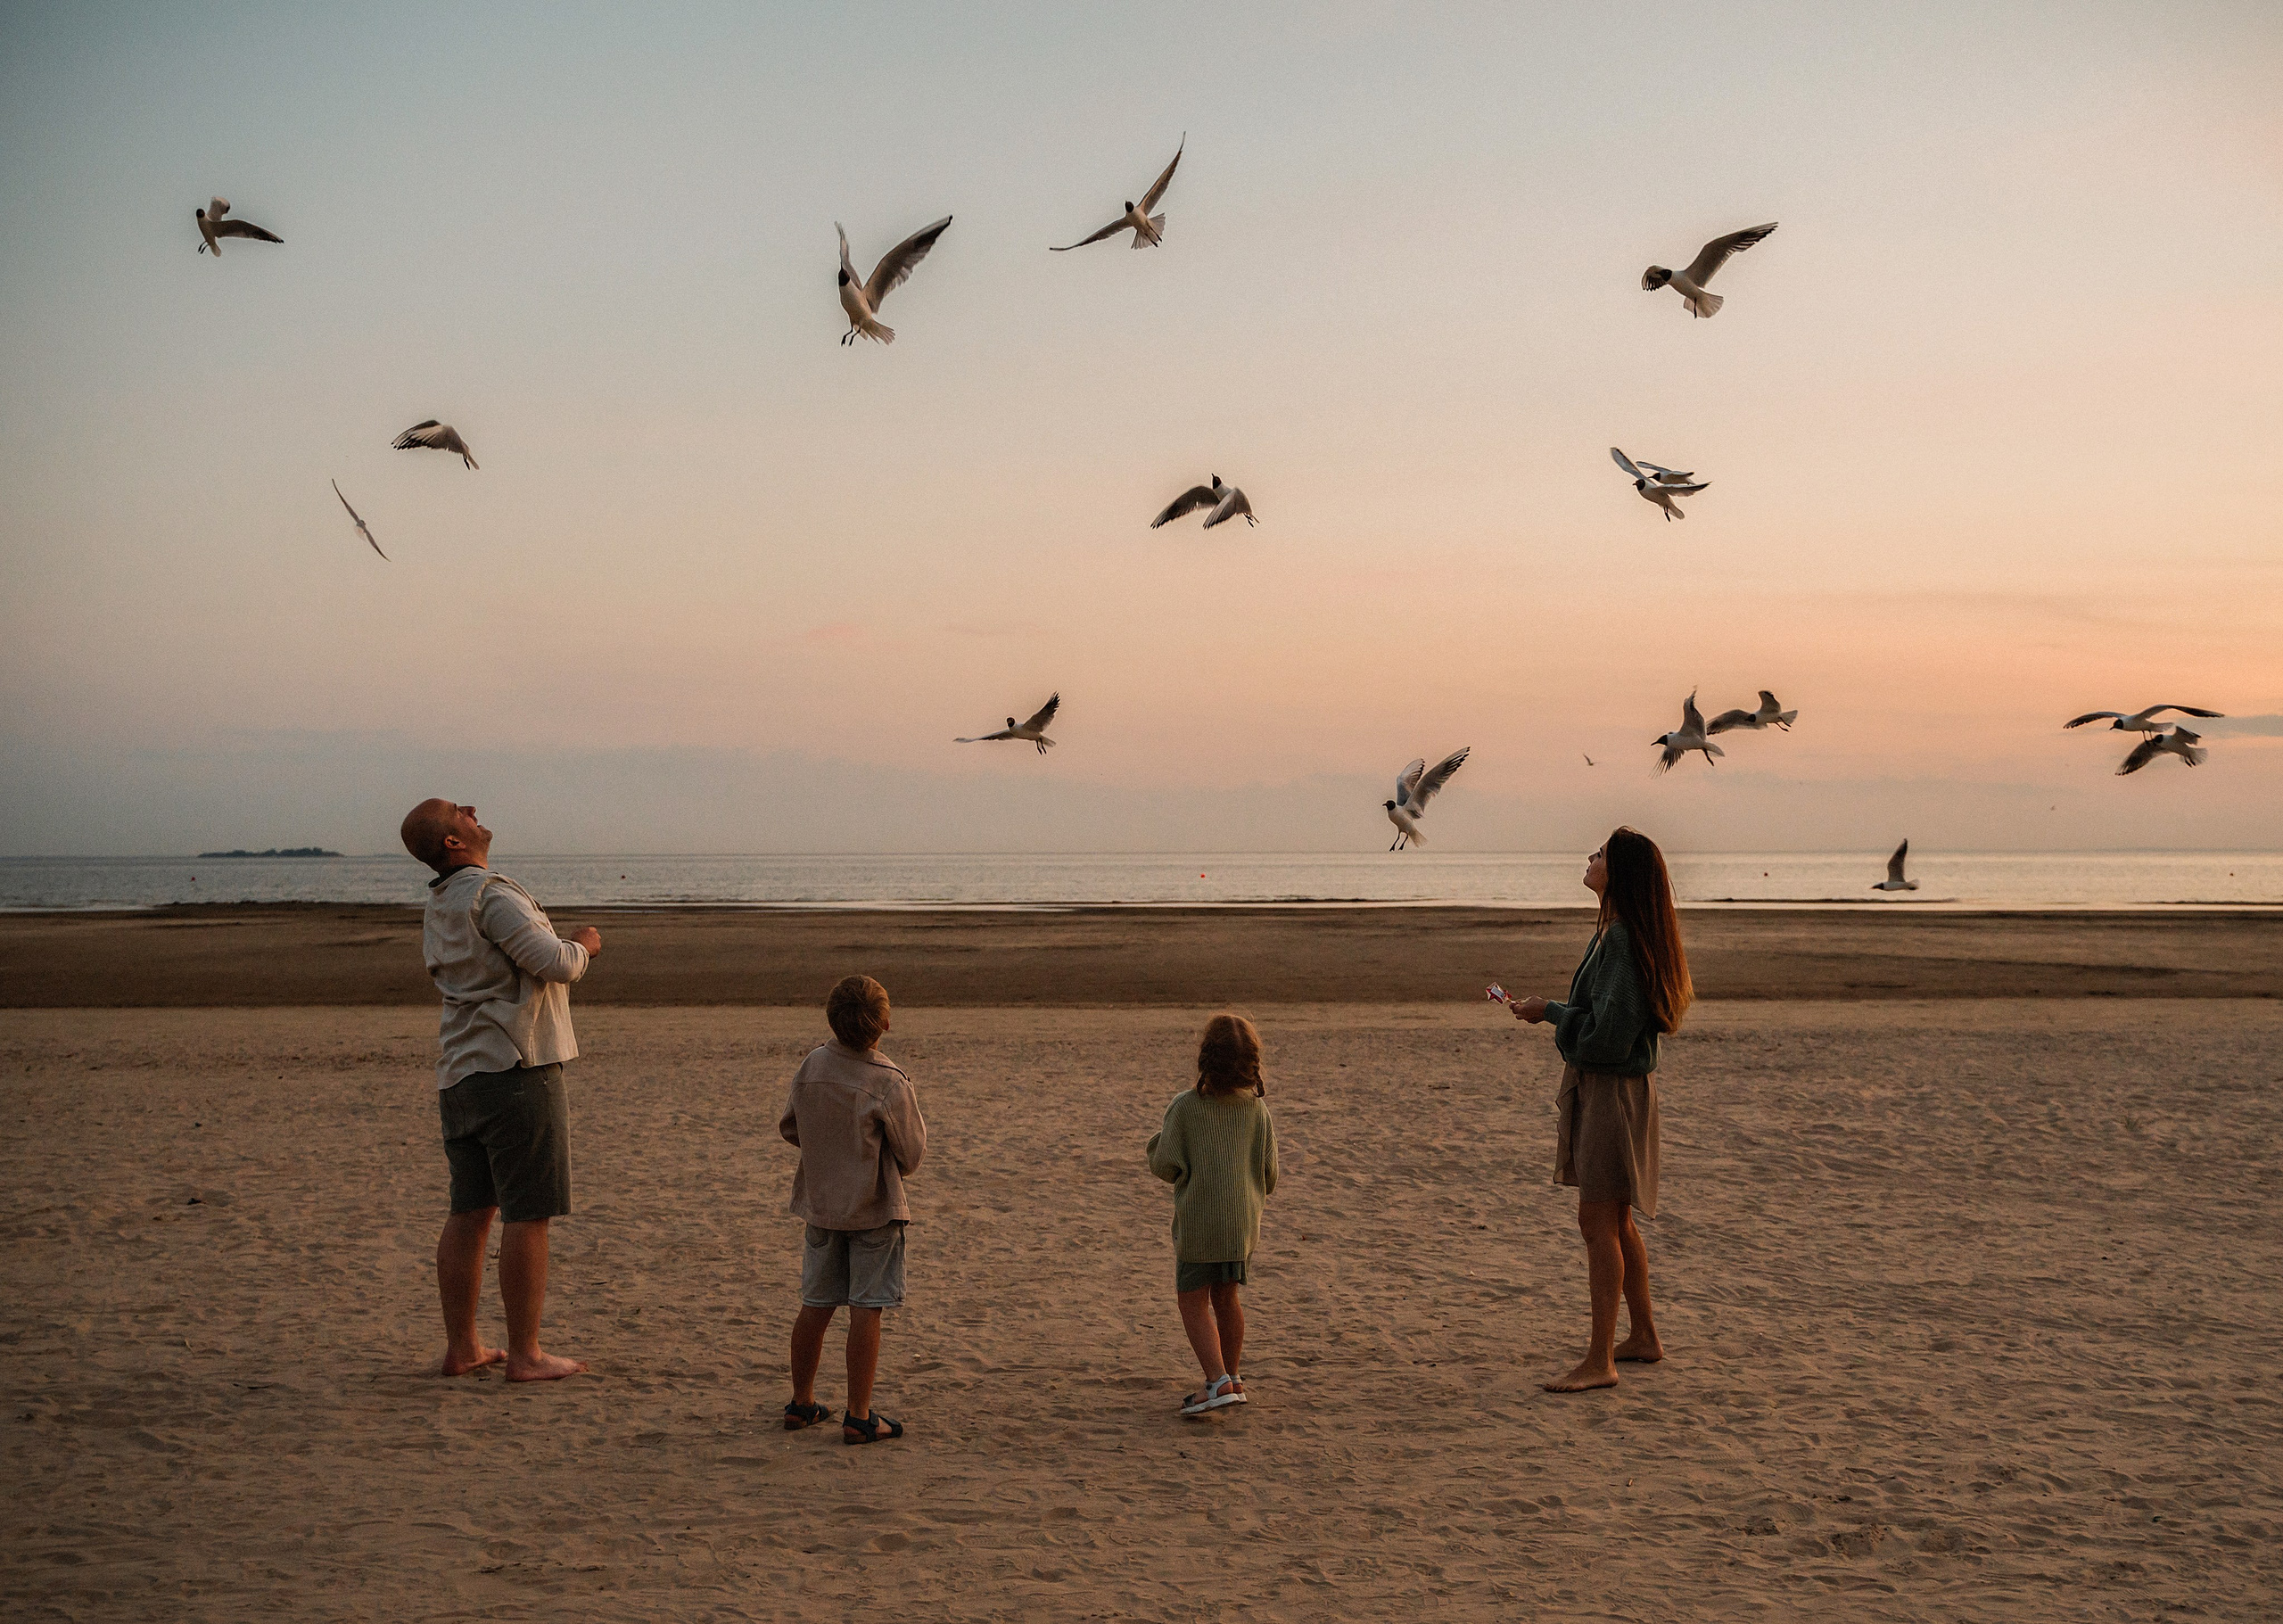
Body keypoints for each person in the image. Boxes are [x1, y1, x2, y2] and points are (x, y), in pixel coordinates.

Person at [400, 798, 599, 1382]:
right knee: (527, 1212)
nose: (470, 809)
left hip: (461, 1073)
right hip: (515, 1068)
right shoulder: (489, 893)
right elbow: (555, 963)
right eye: (458, 811)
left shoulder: (441, 902)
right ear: (454, 844)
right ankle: (527, 1353)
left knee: (471, 1211)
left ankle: (463, 1346)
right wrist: (585, 944)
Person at [1507, 827, 1692, 1393]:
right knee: (1615, 1220)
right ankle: (1643, 1337)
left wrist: (1553, 1015)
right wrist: (1557, 1013)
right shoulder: (1619, 933)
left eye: (1601, 855)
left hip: (1614, 1091)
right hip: (1619, 1090)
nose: (1590, 859)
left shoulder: (1621, 940)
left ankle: (1599, 1360)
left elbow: (1609, 1036)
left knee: (1597, 1223)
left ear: (1621, 875)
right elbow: (1609, 1021)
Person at [779, 974, 927, 1445]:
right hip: (873, 1210)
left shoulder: (812, 1066)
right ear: (885, 1022)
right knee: (867, 1307)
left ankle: (802, 1401)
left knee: (816, 1303)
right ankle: (858, 1414)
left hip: (821, 1205)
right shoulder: (887, 1080)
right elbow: (912, 1154)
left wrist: (826, 1149)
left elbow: (789, 1127)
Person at [1147, 1013, 1279, 1417]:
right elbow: (1269, 1176)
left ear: (1206, 1059)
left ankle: (1217, 1381)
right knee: (1227, 1297)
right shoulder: (1258, 1112)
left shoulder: (1186, 1107)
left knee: (1192, 1301)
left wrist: (1156, 1144)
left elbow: (1165, 1164)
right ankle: (1233, 1378)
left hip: (1201, 1223)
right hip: (1241, 1226)